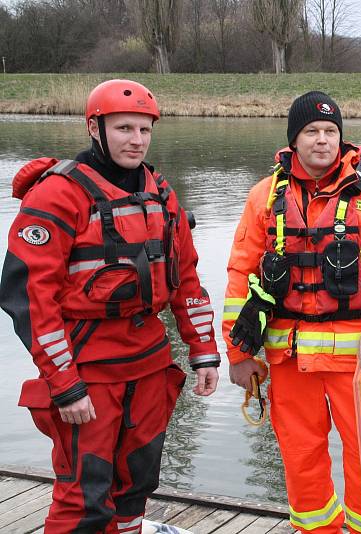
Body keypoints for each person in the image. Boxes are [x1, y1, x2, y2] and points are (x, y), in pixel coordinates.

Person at [0, 79, 220, 533]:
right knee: (85, 496)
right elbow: (30, 299)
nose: (135, 140)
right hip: (88, 370)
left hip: (149, 365)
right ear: (94, 128)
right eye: (123, 128)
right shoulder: (58, 194)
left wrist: (203, 351)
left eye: (144, 130)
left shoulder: (161, 192)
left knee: (136, 486)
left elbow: (188, 280)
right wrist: (64, 384)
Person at [223, 91, 361, 534]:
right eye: (311, 131)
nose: (322, 140)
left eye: (331, 132)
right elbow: (240, 275)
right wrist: (238, 353)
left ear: (341, 138)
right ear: (294, 140)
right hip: (288, 360)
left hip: (358, 361)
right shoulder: (264, 197)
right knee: (301, 460)